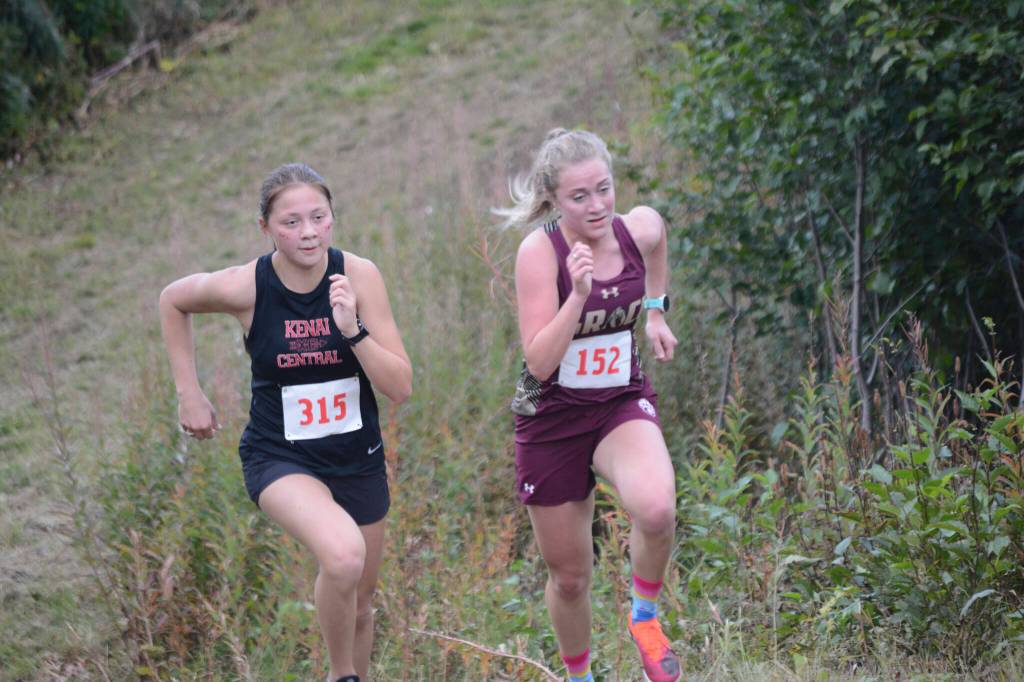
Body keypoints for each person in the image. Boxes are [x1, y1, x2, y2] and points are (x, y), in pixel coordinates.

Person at [159, 163, 412, 682]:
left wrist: (354, 331)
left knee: (361, 603)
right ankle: (339, 676)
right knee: (343, 557)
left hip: (357, 458)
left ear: (333, 218)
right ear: (266, 228)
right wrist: (189, 392)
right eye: (292, 222)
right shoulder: (248, 286)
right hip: (281, 457)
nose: (308, 233)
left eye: (319, 217)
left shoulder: (358, 276)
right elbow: (173, 299)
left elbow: (400, 387)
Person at [497, 129, 681, 682]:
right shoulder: (540, 253)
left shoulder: (636, 228)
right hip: (551, 419)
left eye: (605, 189)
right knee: (572, 577)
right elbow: (541, 363)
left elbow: (659, 239)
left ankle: (644, 619)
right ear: (553, 199)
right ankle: (580, 676)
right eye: (581, 197)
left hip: (616, 404)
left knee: (656, 509)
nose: (598, 206)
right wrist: (577, 293)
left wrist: (654, 311)